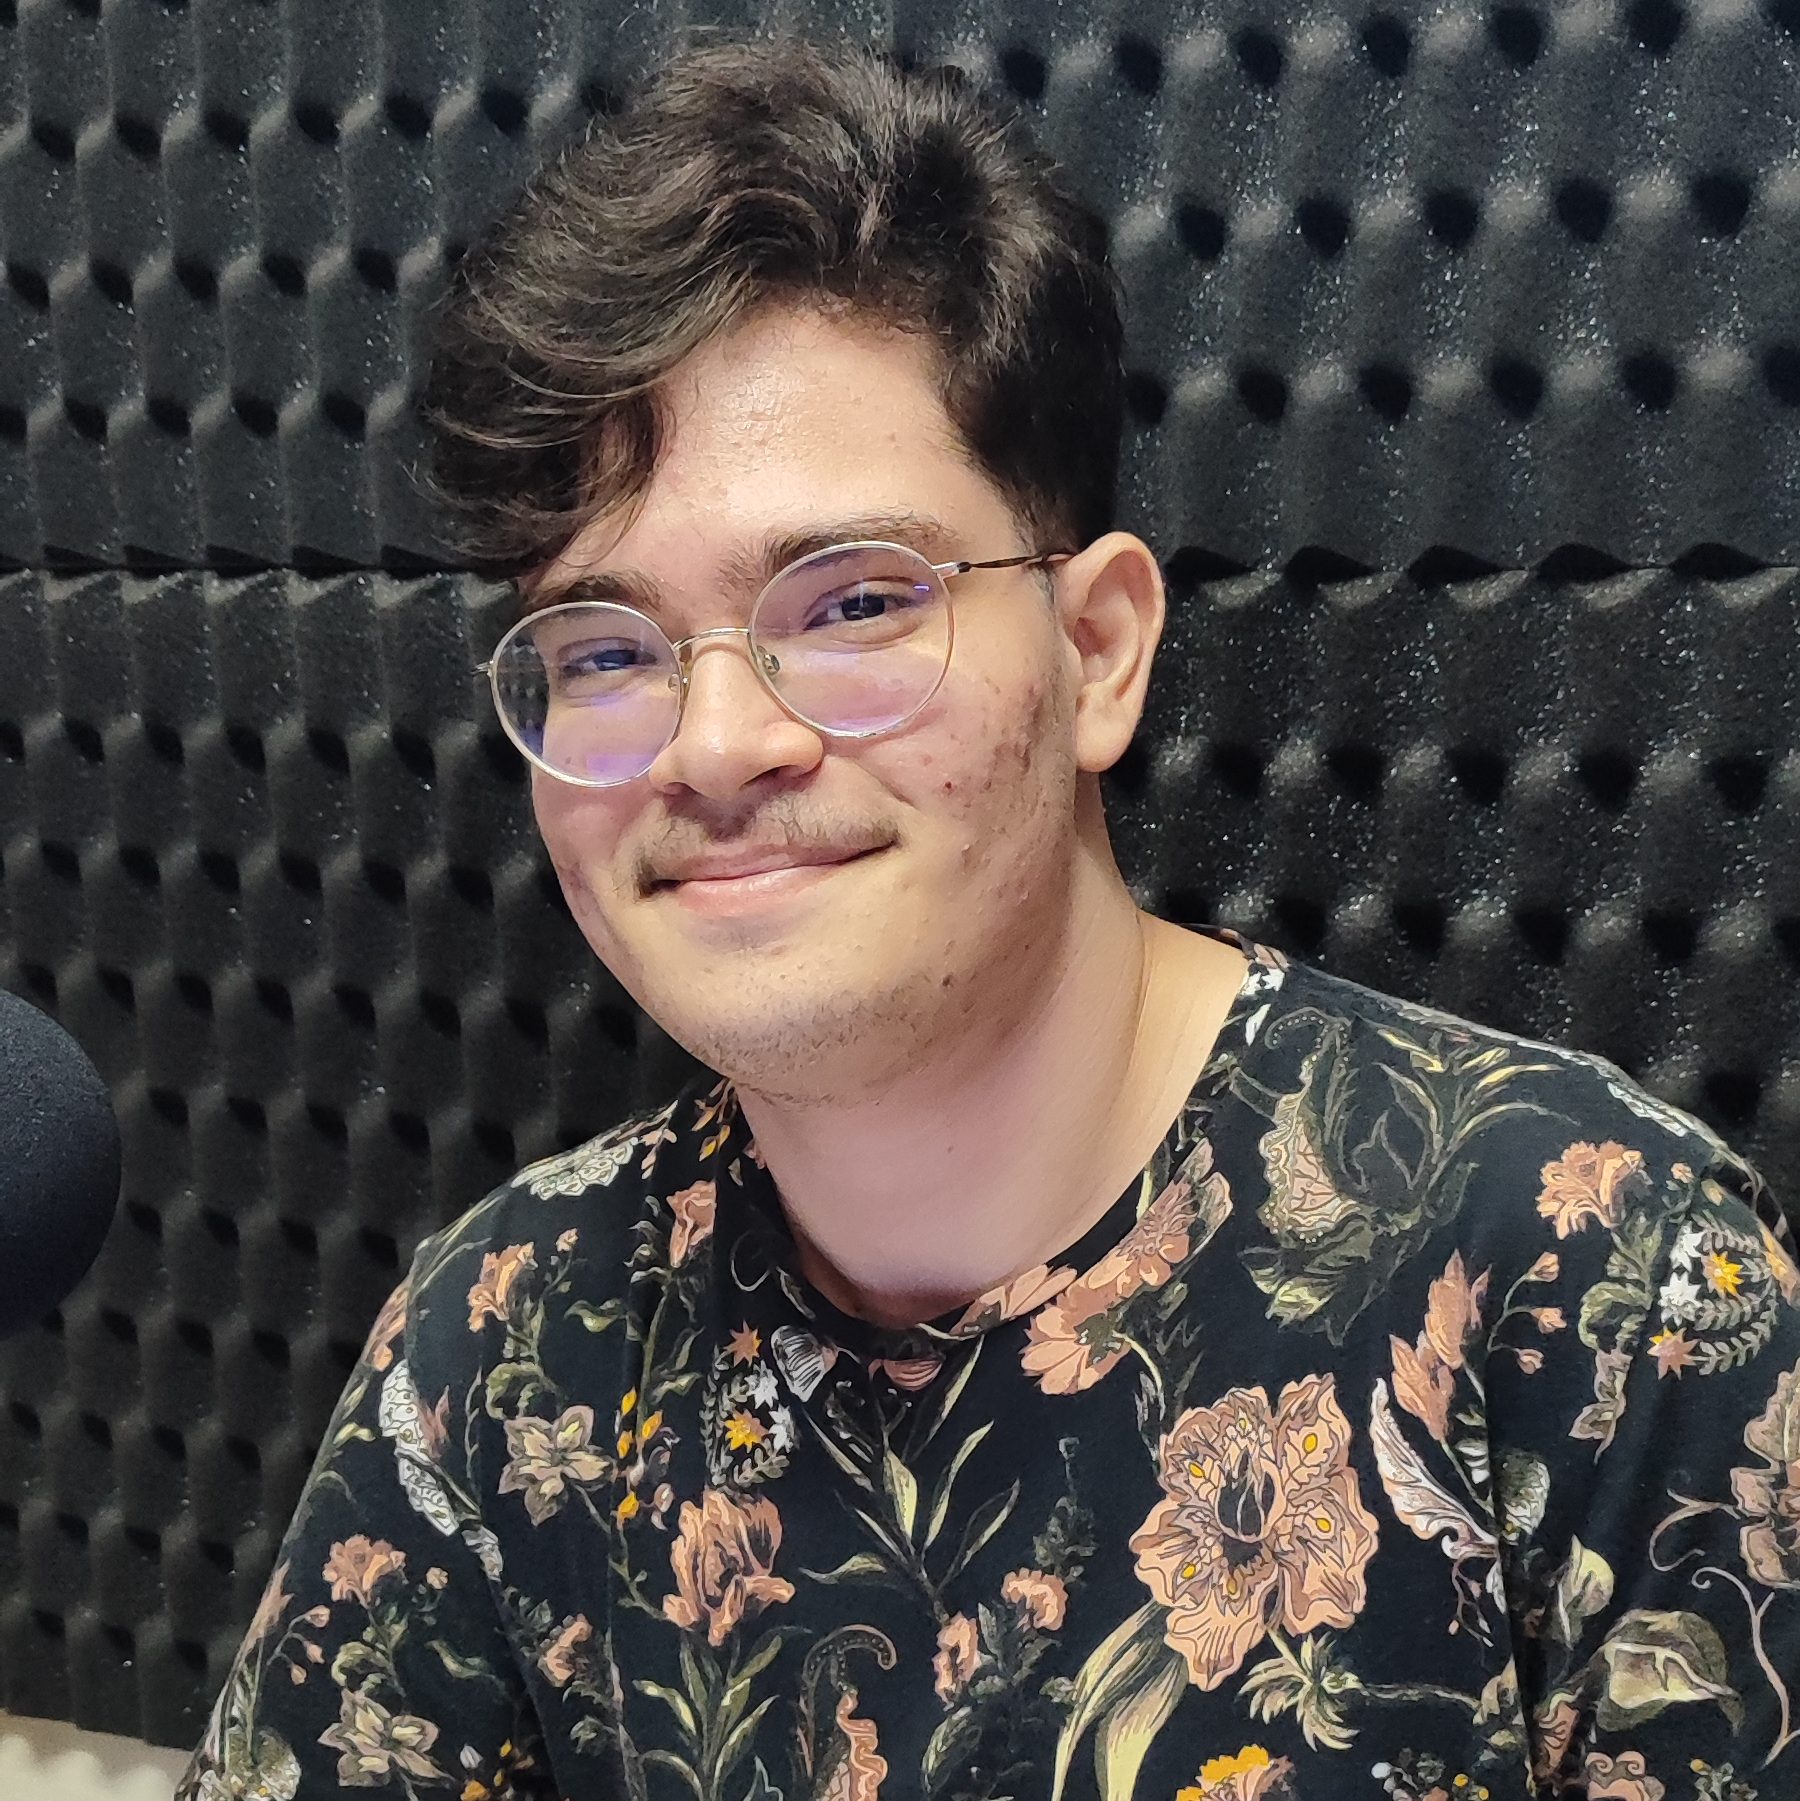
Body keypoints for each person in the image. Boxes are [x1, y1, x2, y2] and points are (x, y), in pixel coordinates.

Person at [177, 33, 1800, 1801]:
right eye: (607, 648)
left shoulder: (1599, 1278)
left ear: (1098, 652)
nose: (717, 745)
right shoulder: (501, 1342)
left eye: (856, 599)